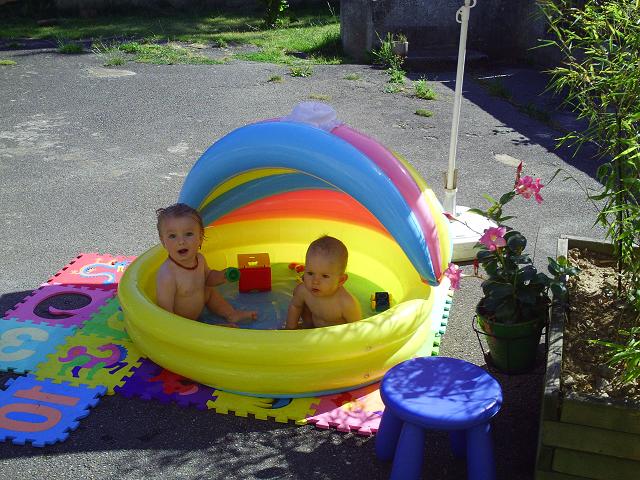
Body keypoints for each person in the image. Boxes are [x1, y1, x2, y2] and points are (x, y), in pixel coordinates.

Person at [155, 203, 257, 326]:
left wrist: (221, 276)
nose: (181, 241)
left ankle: (231, 313)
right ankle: (213, 330)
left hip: (197, 312)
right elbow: (165, 315)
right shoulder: (167, 275)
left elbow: (208, 278)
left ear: (200, 237)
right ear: (163, 241)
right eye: (172, 236)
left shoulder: (200, 259)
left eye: (188, 234)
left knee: (208, 292)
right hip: (182, 325)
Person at [285, 235, 361, 329]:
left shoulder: (346, 303)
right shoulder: (303, 291)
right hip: (312, 328)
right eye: (310, 273)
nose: (315, 281)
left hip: (336, 338)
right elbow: (295, 306)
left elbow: (358, 329)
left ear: (341, 280)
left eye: (325, 276)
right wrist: (290, 329)